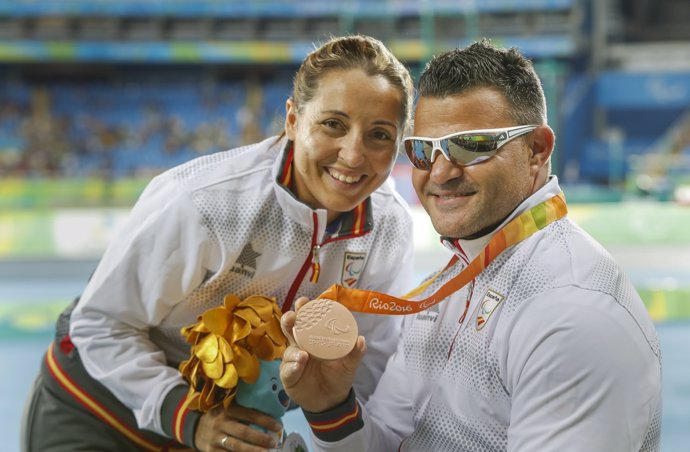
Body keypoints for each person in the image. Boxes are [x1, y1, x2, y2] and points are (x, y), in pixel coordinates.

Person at [20, 34, 415, 452]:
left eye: (379, 135)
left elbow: (368, 371)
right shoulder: (203, 202)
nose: (354, 155)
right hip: (100, 410)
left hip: (232, 433)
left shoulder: (388, 229)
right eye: (333, 124)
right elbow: (99, 324)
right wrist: (188, 418)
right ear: (294, 120)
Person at [280, 39, 662, 451]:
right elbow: (388, 442)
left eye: (472, 145)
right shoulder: (450, 282)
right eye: (423, 151)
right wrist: (331, 410)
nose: (440, 173)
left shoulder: (571, 310)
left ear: (536, 150)